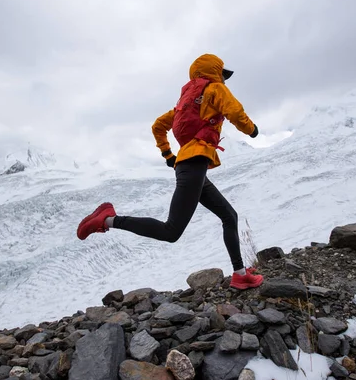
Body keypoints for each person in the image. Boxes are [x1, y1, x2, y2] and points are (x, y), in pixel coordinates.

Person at [77, 53, 263, 290]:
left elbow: (158, 126)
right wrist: (253, 130)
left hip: (192, 165)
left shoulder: (185, 103)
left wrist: (168, 155)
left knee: (229, 216)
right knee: (171, 231)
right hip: (193, 166)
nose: (224, 80)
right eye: (222, 75)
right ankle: (107, 219)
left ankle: (240, 275)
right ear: (214, 72)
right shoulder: (215, 89)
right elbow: (235, 111)